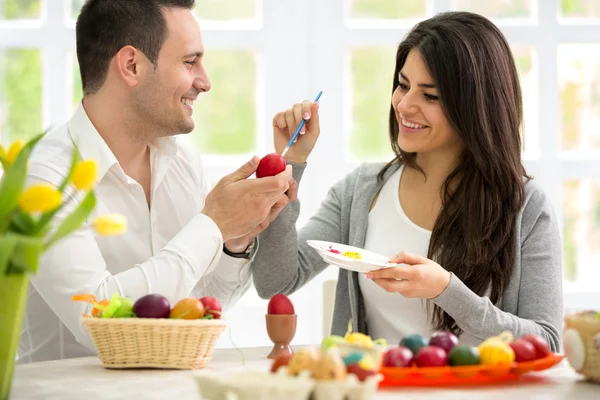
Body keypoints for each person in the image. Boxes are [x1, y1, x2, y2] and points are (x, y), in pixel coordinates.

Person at [19, 0, 317, 363]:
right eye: (190, 62)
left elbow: (195, 311)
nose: (205, 82)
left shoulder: (181, 162)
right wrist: (213, 224)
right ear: (132, 66)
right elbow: (99, 317)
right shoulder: (43, 179)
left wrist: (231, 244)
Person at [253, 11, 563, 351]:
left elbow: (547, 342)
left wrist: (446, 290)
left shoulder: (527, 207)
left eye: (430, 96)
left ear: (475, 106)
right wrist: (290, 164)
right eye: (403, 85)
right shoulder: (362, 191)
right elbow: (275, 280)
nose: (404, 105)